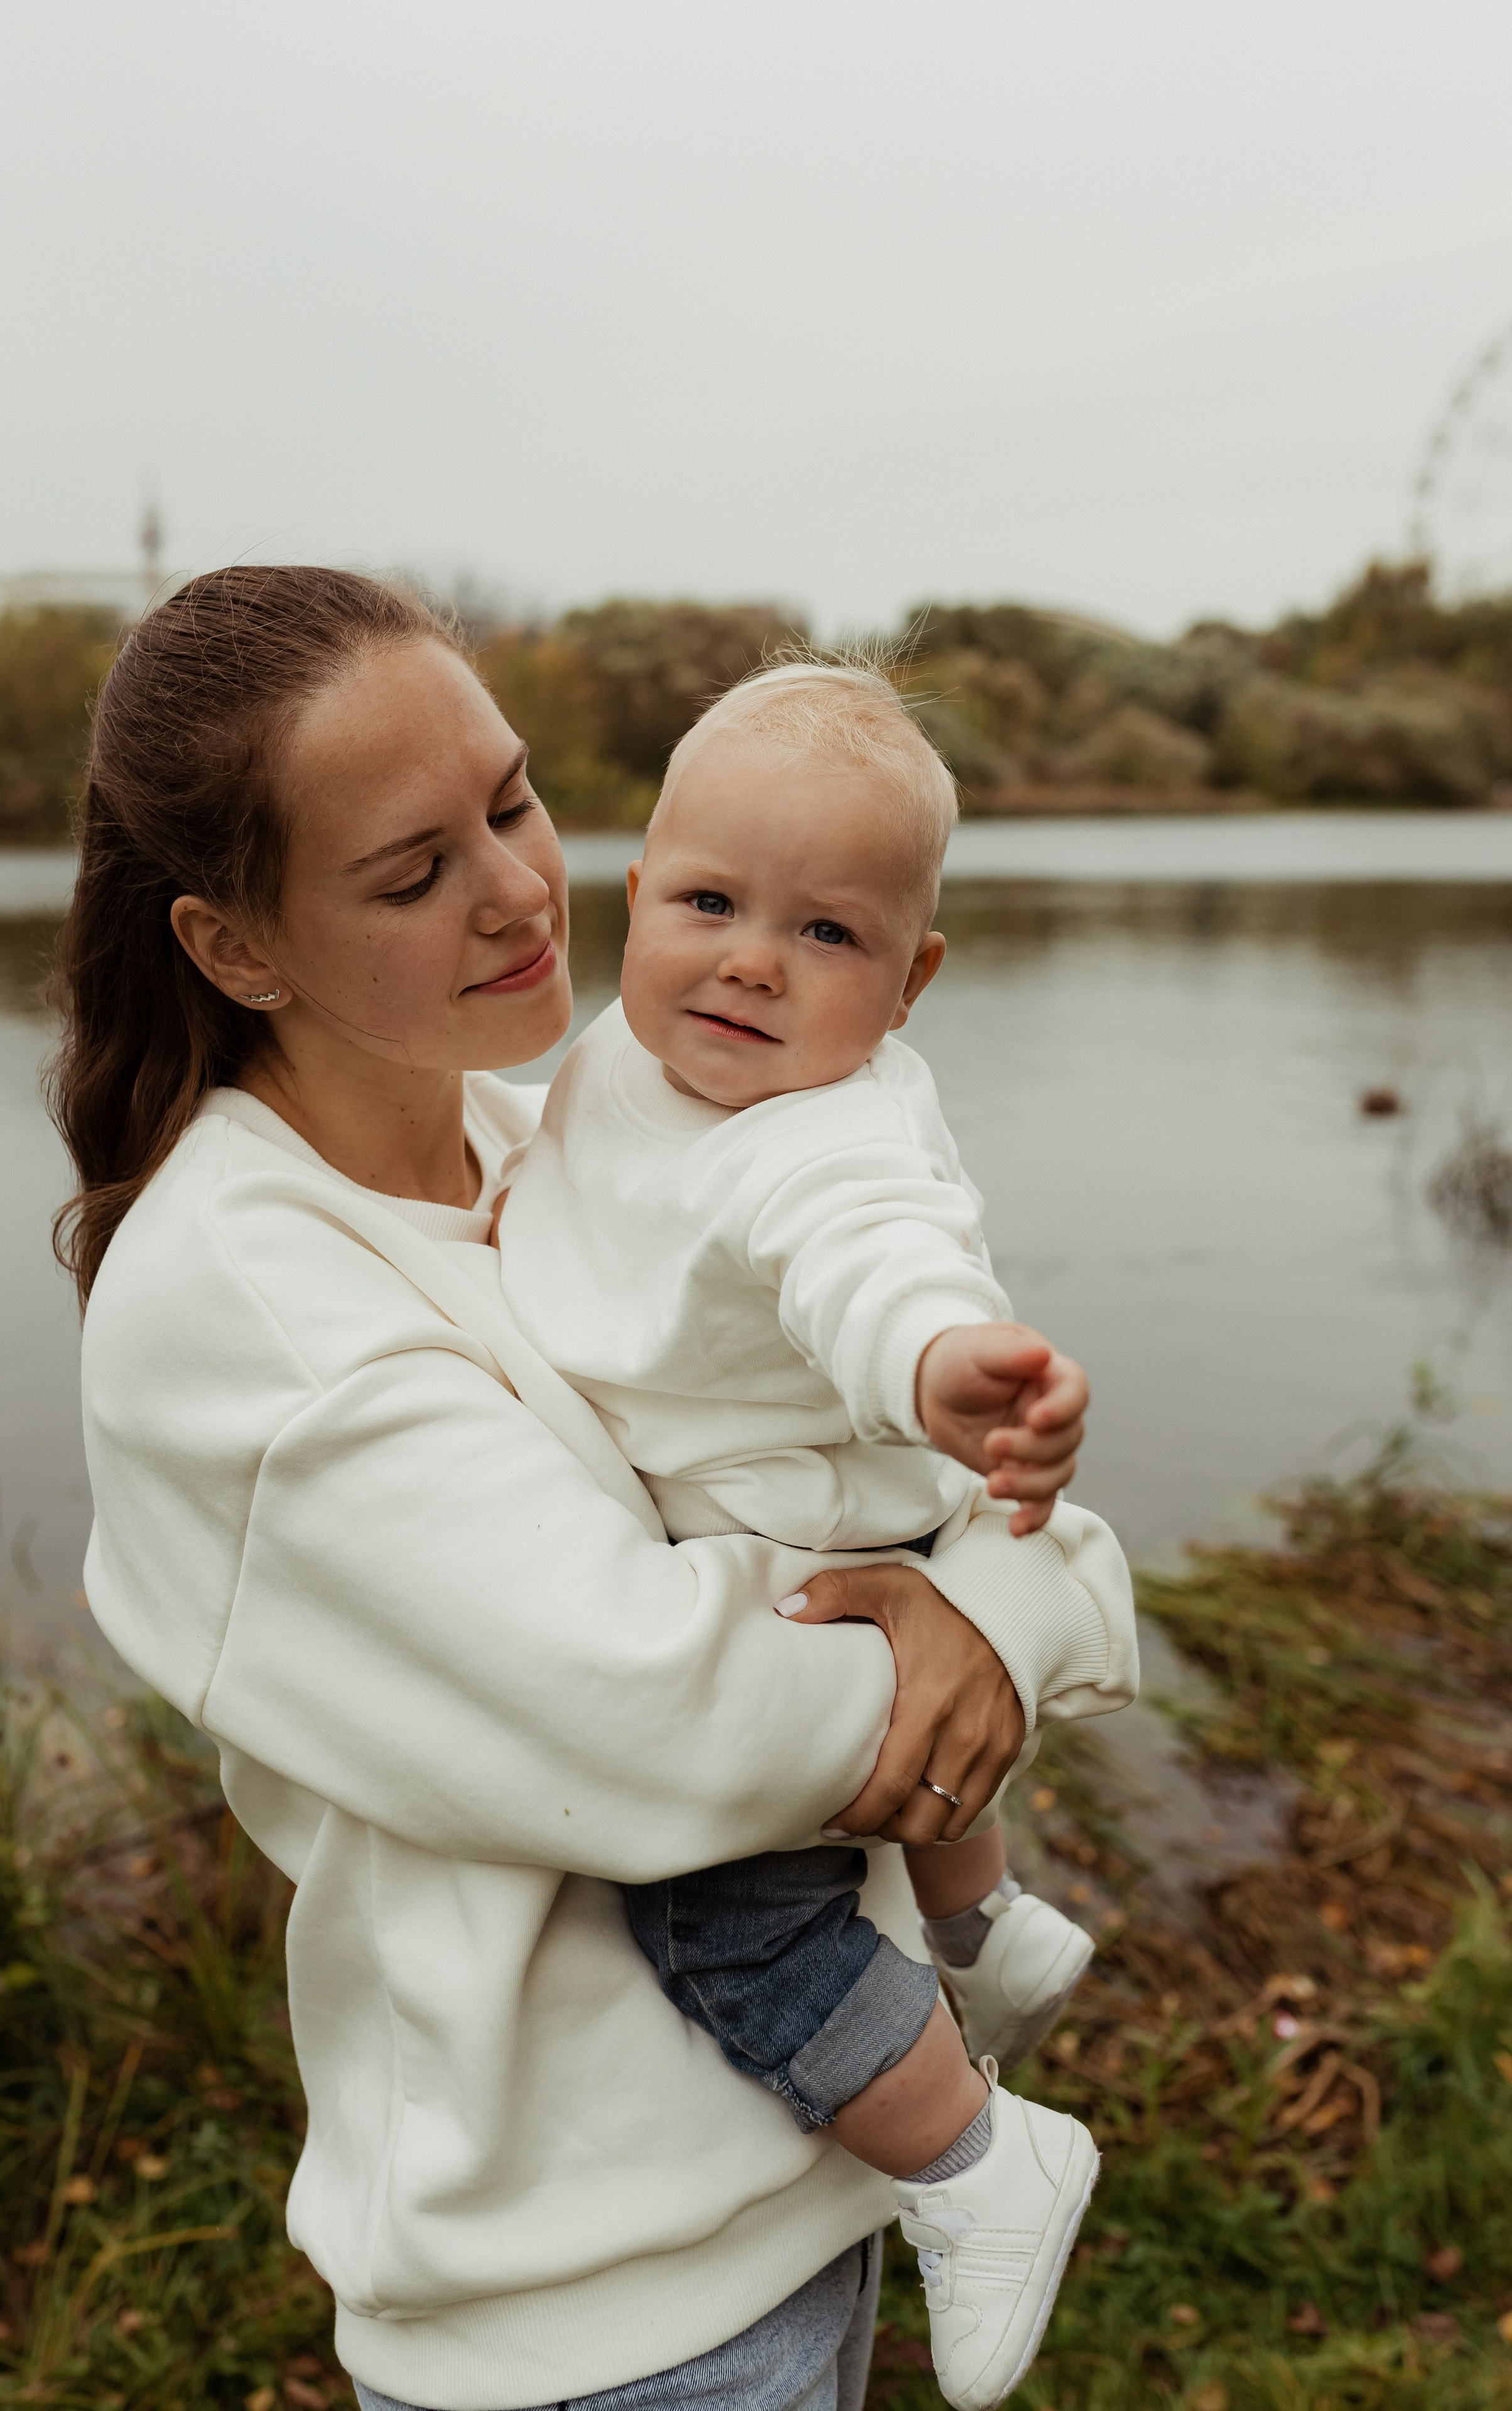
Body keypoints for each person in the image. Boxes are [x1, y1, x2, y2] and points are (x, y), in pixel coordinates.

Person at [51, 566, 1138, 2411]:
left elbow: (861, 1455)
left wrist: (1004, 1593)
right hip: (594, 2316)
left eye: (516, 800)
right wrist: (1016, 1613)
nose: (521, 889)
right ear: (236, 947)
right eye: (413, 874)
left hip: (803, 2190)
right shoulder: (244, 1302)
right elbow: (675, 1716)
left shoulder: (540, 1128)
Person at [495, 661, 1120, 2407]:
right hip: (825, 1526)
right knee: (890, 1789)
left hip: (802, 1548)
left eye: (829, 935)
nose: (754, 960)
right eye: (708, 904)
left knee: (726, 1920)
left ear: (912, 982)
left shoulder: (817, 1137)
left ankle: (980, 2167)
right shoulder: (624, 1057)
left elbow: (873, 1255)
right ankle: (986, 1922)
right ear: (637, 899)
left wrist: (949, 1369)